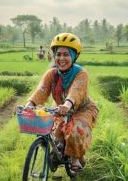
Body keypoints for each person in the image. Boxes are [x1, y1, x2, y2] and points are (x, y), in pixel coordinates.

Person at [26, 33, 98, 171]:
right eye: (58, 54)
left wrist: (67, 104)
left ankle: (77, 158)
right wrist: (29, 105)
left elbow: (76, 91)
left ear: (74, 56)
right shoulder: (51, 74)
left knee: (75, 132)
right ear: (54, 55)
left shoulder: (81, 73)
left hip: (82, 109)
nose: (61, 58)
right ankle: (59, 152)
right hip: (59, 108)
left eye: (66, 54)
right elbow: (41, 90)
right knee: (54, 134)